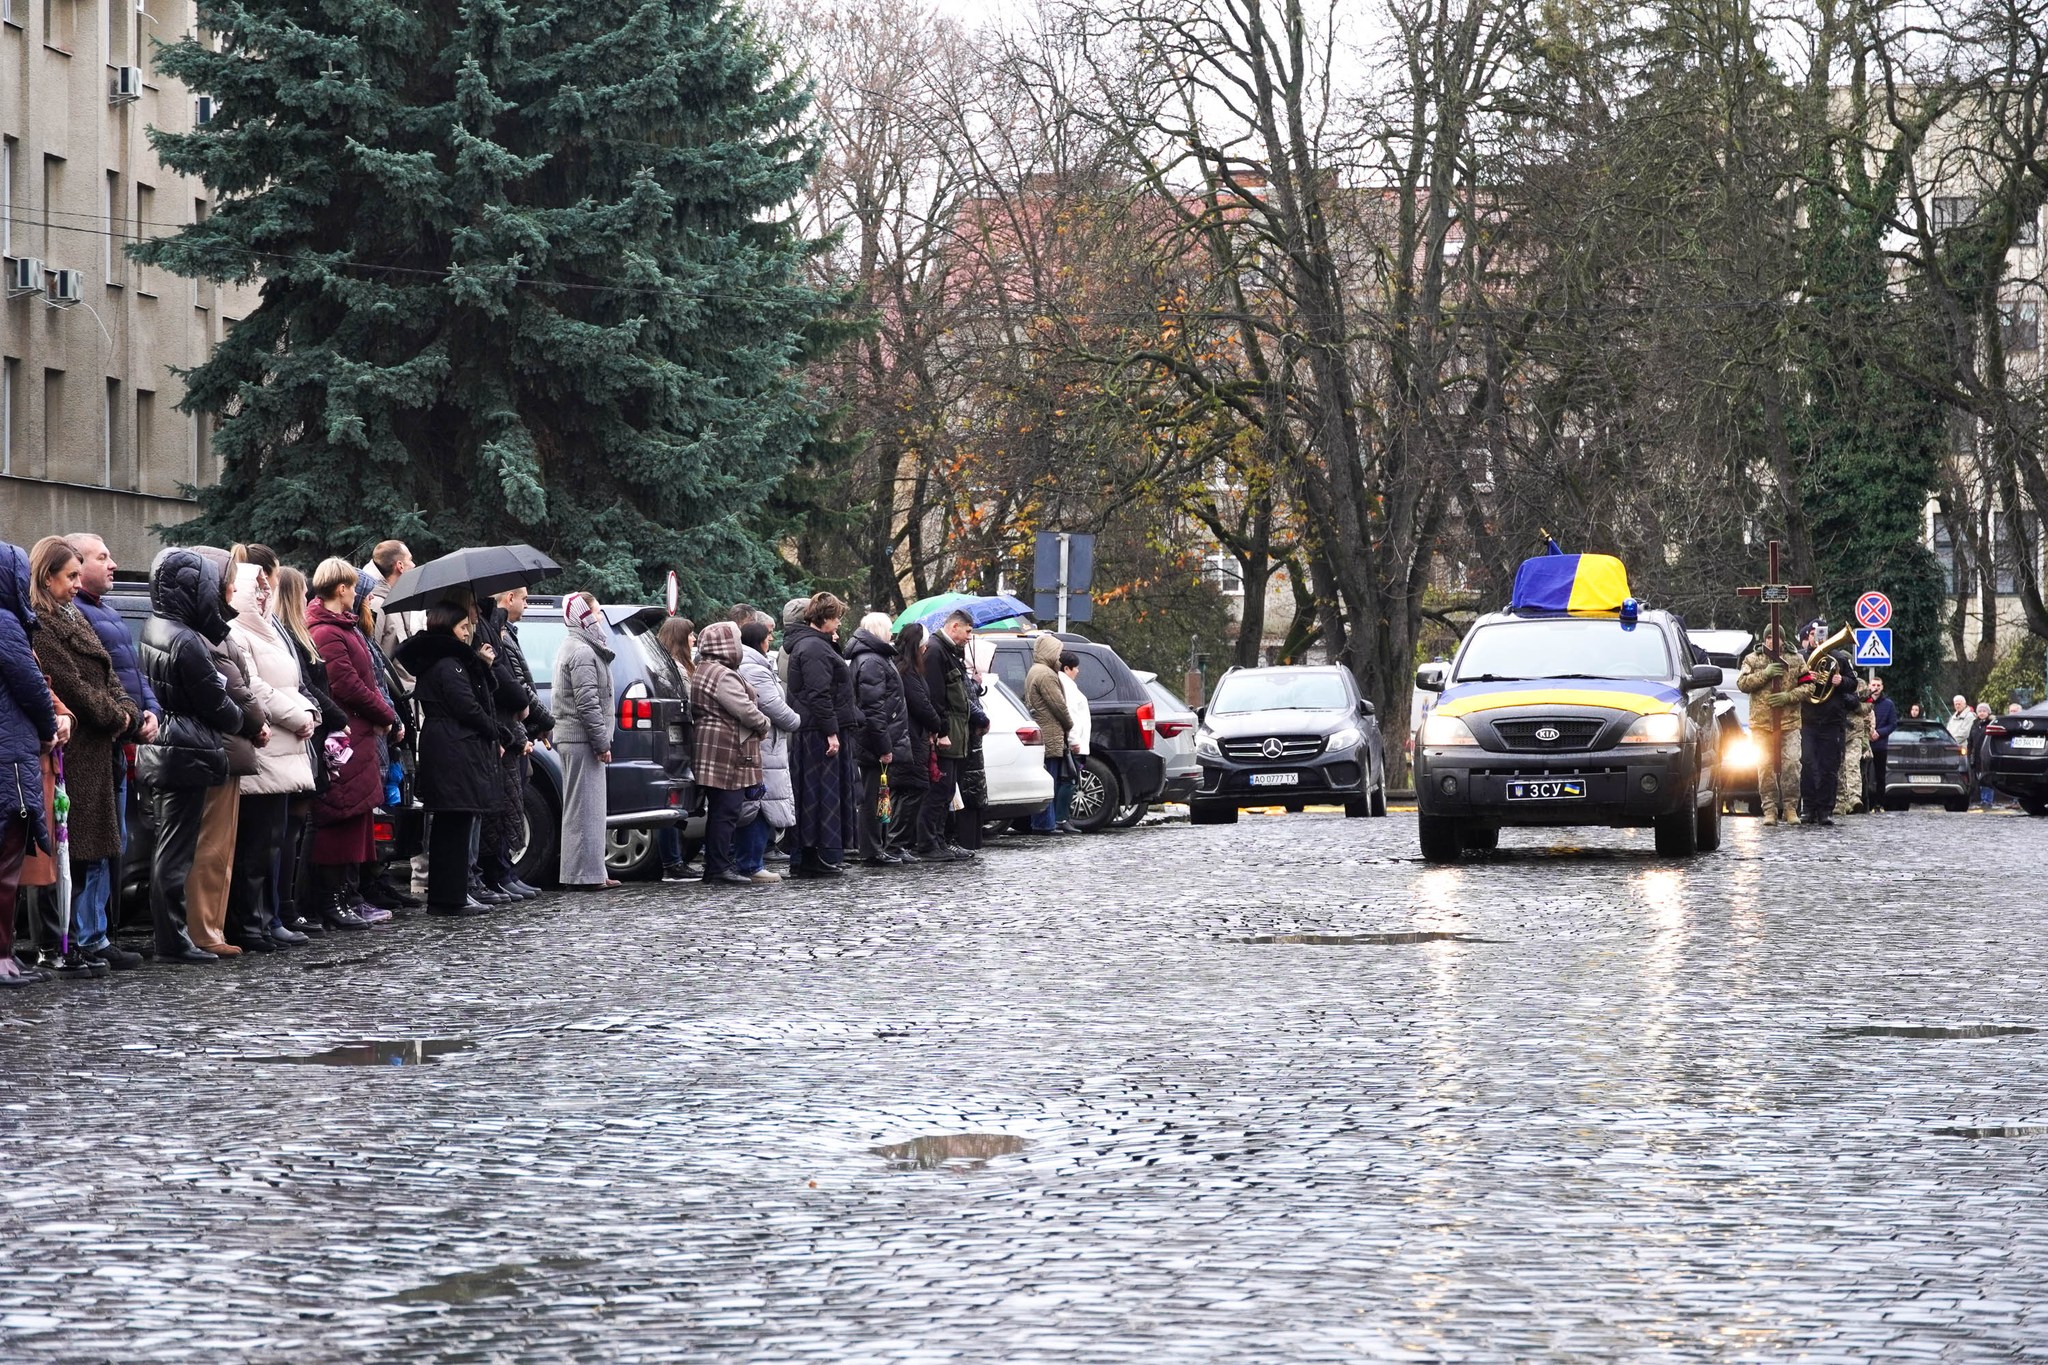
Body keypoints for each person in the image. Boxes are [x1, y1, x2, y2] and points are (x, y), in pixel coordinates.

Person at [18, 536, 136, 976]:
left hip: (94, 750)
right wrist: (114, 715)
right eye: (69, 576)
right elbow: (67, 684)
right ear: (47, 577)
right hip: (75, 749)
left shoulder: (73, 615)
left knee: (83, 854)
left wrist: (124, 710)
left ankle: (75, 941)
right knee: (62, 854)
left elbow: (106, 673)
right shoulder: (43, 624)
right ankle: (60, 943)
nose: (74, 584)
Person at [137, 548, 247, 963]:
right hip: (186, 749)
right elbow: (216, 705)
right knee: (176, 852)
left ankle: (172, 936)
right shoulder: (186, 640)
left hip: (167, 747)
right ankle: (173, 939)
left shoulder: (155, 626)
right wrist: (238, 717)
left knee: (169, 848)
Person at [226, 550, 319, 951]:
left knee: (275, 842)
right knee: (256, 845)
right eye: (258, 590)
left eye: (268, 590)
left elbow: (293, 683)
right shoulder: (239, 633)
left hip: (288, 747)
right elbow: (254, 688)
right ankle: (251, 922)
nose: (265, 596)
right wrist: (298, 715)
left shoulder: (270, 631)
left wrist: (309, 708)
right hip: (268, 745)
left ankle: (267, 919)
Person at [307, 557, 399, 928]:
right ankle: (333, 899)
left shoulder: (342, 627)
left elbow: (368, 680)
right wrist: (386, 715)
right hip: (346, 738)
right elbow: (347, 686)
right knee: (340, 818)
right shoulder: (327, 631)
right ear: (341, 588)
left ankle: (348, 895)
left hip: (360, 735)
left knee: (356, 818)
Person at [395, 600, 503, 915]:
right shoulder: (448, 664)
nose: (468, 633)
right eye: (462, 628)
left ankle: (452, 893)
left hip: (449, 743)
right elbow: (467, 705)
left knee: (454, 821)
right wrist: (495, 730)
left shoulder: (448, 661)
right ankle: (450, 896)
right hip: (454, 746)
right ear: (447, 628)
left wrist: (481, 666)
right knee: (453, 822)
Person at [274, 564, 345, 937]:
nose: (308, 598)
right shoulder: (291, 638)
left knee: (297, 827)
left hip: (310, 739)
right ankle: (287, 906)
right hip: (301, 739)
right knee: (290, 830)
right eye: (302, 592)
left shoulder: (297, 636)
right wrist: (336, 716)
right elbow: (304, 687)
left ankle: (289, 906)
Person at [0, 542, 59, 987]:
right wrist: (51, 724)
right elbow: (32, 686)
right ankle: (1, 958)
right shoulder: (5, 623)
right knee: (5, 868)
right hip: (11, 762)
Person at [474, 588, 548, 900]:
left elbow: (519, 681)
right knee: (499, 807)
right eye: (525, 598)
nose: (527, 604)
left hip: (513, 727)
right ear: (509, 598)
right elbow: (512, 684)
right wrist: (541, 721)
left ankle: (503, 870)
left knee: (510, 805)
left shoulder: (502, 631)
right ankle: (495, 873)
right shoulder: (492, 632)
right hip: (505, 726)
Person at [784, 592, 861, 877]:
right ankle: (809, 856)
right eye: (837, 617)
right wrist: (831, 733)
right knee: (816, 796)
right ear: (825, 618)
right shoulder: (813, 648)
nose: (840, 623)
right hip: (818, 731)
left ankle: (811, 855)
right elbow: (819, 694)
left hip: (816, 728)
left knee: (815, 795)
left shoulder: (816, 645)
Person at [692, 620, 771, 884]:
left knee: (721, 810)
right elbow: (744, 709)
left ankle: (717, 865)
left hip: (714, 747)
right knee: (726, 811)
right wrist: (764, 723)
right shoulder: (721, 674)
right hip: (725, 749)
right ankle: (717, 868)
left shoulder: (705, 668)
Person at [554, 591, 616, 889]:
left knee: (589, 809)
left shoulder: (582, 647)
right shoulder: (581, 651)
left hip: (581, 739)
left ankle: (593, 871)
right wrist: (601, 742)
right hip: (581, 740)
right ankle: (582, 875)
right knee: (583, 810)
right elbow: (587, 702)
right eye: (596, 611)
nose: (600, 617)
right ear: (585, 616)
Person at [848, 611, 912, 866]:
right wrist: (884, 746)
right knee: (874, 797)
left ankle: (876, 847)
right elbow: (874, 709)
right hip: (873, 742)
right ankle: (872, 850)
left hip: (874, 739)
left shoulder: (873, 658)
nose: (892, 634)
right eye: (889, 629)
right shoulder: (873, 661)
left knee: (877, 796)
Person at [738, 617, 799, 882]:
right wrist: (796, 720)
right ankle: (752, 864)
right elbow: (773, 705)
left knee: (759, 802)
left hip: (767, 744)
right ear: (758, 640)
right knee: (761, 803)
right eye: (768, 636)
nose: (771, 640)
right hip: (764, 745)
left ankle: (751, 862)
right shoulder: (755, 668)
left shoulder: (755, 664)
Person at [1737, 625, 1813, 825]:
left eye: (1776, 637)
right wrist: (1765, 674)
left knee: (1792, 765)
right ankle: (1769, 809)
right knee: (1765, 767)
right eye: (1768, 637)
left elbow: (1809, 685)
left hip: (1789, 721)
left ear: (1783, 639)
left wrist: (1789, 696)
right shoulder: (1752, 659)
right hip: (1762, 723)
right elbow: (1742, 684)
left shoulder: (1796, 659)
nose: (1772, 641)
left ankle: (1790, 808)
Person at [918, 611, 975, 861]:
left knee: (947, 789)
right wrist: (940, 731)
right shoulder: (936, 651)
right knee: (939, 790)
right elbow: (935, 696)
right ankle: (929, 843)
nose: (969, 637)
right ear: (955, 627)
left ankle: (939, 841)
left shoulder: (947, 651)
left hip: (955, 732)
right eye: (968, 631)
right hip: (947, 733)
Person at [652, 616, 698, 881]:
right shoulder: (676, 669)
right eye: (691, 635)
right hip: (674, 742)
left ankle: (674, 860)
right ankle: (672, 862)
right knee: (670, 802)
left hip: (674, 741)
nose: (694, 639)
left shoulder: (666, 664)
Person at [1796, 619, 1854, 827]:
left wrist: (1841, 682)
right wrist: (1805, 678)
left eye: (1820, 634)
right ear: (1807, 637)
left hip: (1831, 722)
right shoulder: (1800, 658)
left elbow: (1853, 684)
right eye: (1813, 634)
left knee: (1829, 767)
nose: (1816, 638)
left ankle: (1825, 810)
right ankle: (1808, 808)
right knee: (1808, 765)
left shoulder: (1838, 659)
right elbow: (1789, 684)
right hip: (1807, 720)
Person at [890, 623, 940, 861]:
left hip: (911, 737)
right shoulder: (907, 672)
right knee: (912, 789)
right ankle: (896, 843)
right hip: (910, 738)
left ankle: (896, 842)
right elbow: (922, 705)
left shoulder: (904, 668)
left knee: (904, 791)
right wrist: (937, 724)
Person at [1024, 633, 1073, 835]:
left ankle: (1045, 822)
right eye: (1058, 653)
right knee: (1049, 781)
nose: (1060, 658)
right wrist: (1069, 723)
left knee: (1047, 780)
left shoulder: (1036, 671)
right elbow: (1058, 704)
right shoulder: (1045, 674)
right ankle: (1045, 823)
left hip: (1046, 731)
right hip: (1050, 733)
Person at [1059, 650, 1092, 835]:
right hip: (1075, 741)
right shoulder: (1068, 687)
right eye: (1075, 668)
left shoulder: (1066, 684)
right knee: (1069, 779)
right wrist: (1074, 740)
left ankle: (1062, 817)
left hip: (1076, 739)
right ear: (1066, 668)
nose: (1078, 671)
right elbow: (1070, 714)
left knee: (1069, 779)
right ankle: (1061, 818)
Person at [1836, 677, 1874, 817]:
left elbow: (1868, 706)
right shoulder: (1832, 681)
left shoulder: (1860, 683)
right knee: (1838, 768)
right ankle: (1840, 801)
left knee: (1852, 765)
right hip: (1836, 730)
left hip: (1854, 732)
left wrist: (1856, 706)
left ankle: (1854, 799)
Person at [1869, 677, 1898, 808]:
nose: (1876, 687)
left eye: (1878, 685)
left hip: (1880, 745)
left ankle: (1879, 803)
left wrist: (1879, 733)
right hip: (1865, 744)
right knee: (1865, 775)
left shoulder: (1888, 704)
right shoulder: (1864, 702)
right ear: (1869, 686)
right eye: (1874, 685)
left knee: (1880, 776)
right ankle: (1866, 802)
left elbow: (1892, 724)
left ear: (1882, 687)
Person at [1968, 701, 1995, 807]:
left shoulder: (1991, 723)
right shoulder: (1975, 724)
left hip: (1987, 754)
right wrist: (1969, 753)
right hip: (1976, 755)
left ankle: (1987, 800)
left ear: (1988, 712)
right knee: (1978, 777)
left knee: (1987, 778)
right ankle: (1982, 799)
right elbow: (1970, 740)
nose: (1982, 713)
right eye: (1980, 711)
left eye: (1984, 711)